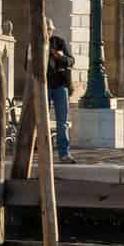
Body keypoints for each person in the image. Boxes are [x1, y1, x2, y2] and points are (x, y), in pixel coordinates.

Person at [47, 34, 74, 162]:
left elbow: (71, 61)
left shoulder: (59, 42)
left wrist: (61, 56)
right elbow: (27, 65)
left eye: (49, 29)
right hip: (44, 87)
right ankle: (44, 153)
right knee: (42, 122)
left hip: (60, 86)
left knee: (62, 122)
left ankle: (64, 154)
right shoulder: (34, 42)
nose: (47, 31)